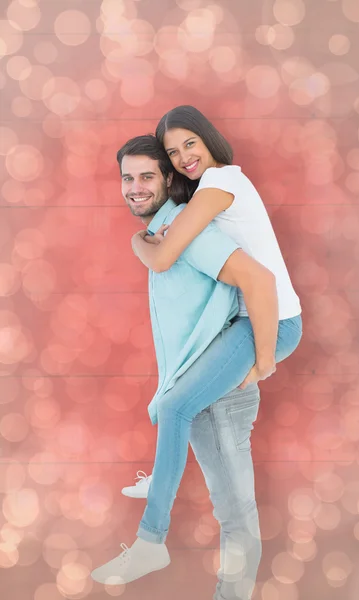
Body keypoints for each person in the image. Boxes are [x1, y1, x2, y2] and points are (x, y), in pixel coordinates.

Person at [91, 133, 302, 595]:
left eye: (147, 176)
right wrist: (137, 240)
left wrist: (264, 362)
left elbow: (258, 280)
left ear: (169, 179)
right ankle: (162, 485)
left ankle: (155, 540)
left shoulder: (190, 227)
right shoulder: (165, 226)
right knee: (231, 509)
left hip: (236, 371)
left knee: (235, 513)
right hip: (217, 364)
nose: (134, 187)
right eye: (127, 178)